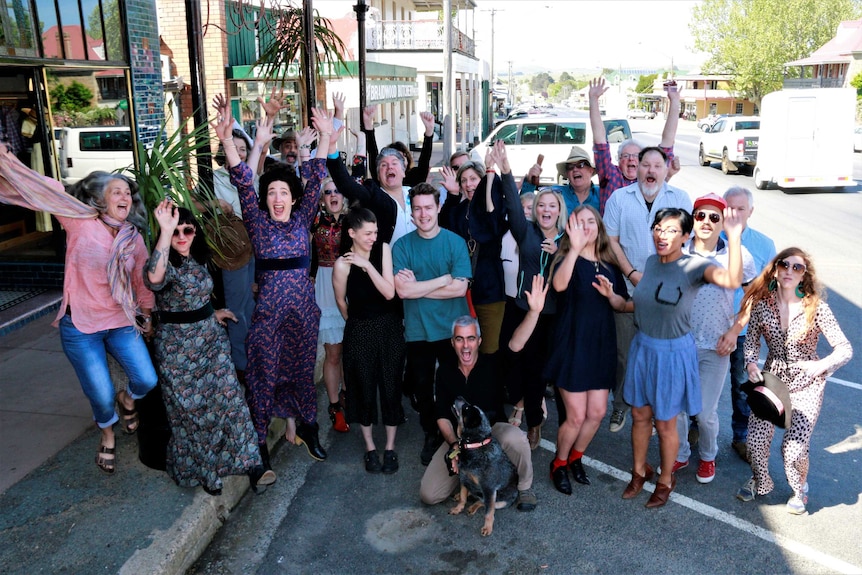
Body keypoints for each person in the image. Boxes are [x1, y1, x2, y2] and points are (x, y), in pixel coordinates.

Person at [0, 143, 157, 475]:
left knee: (145, 380)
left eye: (127, 191)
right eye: (116, 191)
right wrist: (8, 161)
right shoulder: (78, 221)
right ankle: (108, 434)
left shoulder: (134, 239)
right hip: (81, 325)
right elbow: (47, 190)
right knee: (100, 395)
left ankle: (128, 401)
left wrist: (147, 316)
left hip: (120, 320)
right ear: (101, 200)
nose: (124, 195)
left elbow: (142, 283)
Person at [214, 95, 334, 467]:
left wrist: (327, 138)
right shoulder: (256, 221)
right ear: (264, 200)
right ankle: (260, 447)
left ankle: (310, 428)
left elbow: (315, 180)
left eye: (283, 192)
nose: (277, 197)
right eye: (271, 193)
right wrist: (228, 144)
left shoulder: (301, 219)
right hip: (267, 317)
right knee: (263, 376)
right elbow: (242, 182)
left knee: (300, 373)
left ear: (292, 198)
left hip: (302, 314)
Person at [145, 203, 275, 495]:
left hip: (211, 343)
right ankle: (207, 472)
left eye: (187, 230)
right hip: (178, 353)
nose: (181, 236)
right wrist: (165, 231)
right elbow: (154, 280)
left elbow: (196, 300)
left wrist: (214, 313)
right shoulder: (161, 262)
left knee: (232, 403)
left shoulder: (199, 258)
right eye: (175, 231)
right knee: (194, 415)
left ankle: (253, 465)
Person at [620, 206, 743, 509]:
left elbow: (731, 280)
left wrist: (735, 236)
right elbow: (645, 304)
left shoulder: (694, 267)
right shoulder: (650, 262)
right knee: (639, 416)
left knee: (665, 424)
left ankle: (665, 480)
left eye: (672, 230)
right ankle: (639, 472)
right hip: (643, 348)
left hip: (673, 354)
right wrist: (615, 299)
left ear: (685, 236)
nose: (662, 235)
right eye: (659, 228)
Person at [736, 249, 852, 515]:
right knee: (755, 442)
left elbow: (844, 349)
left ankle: (799, 489)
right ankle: (760, 480)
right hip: (771, 382)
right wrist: (751, 364)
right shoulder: (762, 305)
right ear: (775, 269)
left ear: (804, 275)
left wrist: (821, 365)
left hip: (807, 384)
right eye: (784, 264)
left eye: (797, 268)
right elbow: (751, 341)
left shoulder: (817, 308)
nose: (789, 270)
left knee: (794, 449)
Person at [603, 147, 693, 434]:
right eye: (645, 165)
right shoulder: (620, 198)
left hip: (666, 295)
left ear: (667, 169)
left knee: (660, 358)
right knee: (624, 354)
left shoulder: (679, 199)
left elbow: (683, 245)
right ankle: (620, 405)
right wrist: (631, 272)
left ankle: (656, 412)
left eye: (657, 165)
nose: (651, 171)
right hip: (628, 287)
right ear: (636, 167)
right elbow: (612, 240)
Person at [672, 194, 756, 484]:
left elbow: (751, 298)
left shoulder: (738, 254)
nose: (706, 222)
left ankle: (708, 457)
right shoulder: (678, 250)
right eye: (700, 216)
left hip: (715, 347)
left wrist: (734, 331)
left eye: (714, 217)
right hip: (679, 344)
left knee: (705, 413)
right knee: (678, 409)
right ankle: (681, 454)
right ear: (692, 219)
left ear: (724, 223)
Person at [545, 206, 629, 494]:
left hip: (601, 345)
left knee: (597, 412)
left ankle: (576, 457)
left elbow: (621, 303)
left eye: (590, 221)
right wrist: (574, 249)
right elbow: (559, 285)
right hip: (572, 345)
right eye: (579, 223)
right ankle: (558, 463)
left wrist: (612, 295)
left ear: (599, 226)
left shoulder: (610, 265)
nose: (585, 226)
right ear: (570, 228)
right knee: (576, 415)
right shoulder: (564, 258)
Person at [419, 314, 537, 512]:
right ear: (453, 342)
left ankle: (524, 488)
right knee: (429, 495)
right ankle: (468, 478)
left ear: (479, 341)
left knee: (516, 438)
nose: (465, 346)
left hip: (492, 433)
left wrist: (534, 311)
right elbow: (441, 415)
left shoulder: (493, 364)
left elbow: (516, 345)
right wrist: (455, 447)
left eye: (471, 338)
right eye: (460, 339)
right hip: (460, 441)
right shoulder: (445, 372)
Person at [392, 182, 472, 465]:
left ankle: (460, 432)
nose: (423, 214)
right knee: (423, 387)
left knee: (455, 385)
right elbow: (403, 291)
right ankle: (431, 433)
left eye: (428, 207)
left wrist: (419, 287)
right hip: (418, 330)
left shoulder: (455, 242)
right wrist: (442, 280)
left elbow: (460, 289)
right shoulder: (402, 246)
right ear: (411, 213)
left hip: (453, 331)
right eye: (417, 209)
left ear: (439, 207)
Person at [497, 142, 566, 450]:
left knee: (537, 375)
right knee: (512, 365)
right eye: (541, 206)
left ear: (559, 211)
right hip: (520, 308)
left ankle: (535, 423)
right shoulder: (527, 232)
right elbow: (512, 207)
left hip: (549, 315)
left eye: (552, 206)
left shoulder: (567, 240)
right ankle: (518, 403)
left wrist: (561, 253)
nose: (546, 210)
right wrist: (507, 171)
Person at [332, 208, 405, 474]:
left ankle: (390, 448)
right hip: (359, 329)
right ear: (351, 233)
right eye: (367, 234)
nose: (373, 237)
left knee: (390, 385)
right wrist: (358, 323)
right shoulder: (341, 264)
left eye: (375, 232)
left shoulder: (383, 249)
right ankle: (370, 448)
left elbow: (389, 292)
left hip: (389, 327)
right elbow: (342, 302)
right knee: (362, 388)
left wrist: (366, 265)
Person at [717, 187, 776, 462]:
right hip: (709, 327)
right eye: (729, 208)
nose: (734, 213)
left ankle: (740, 437)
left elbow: (767, 291)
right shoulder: (709, 239)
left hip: (743, 331)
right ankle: (694, 428)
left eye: (740, 208)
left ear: (750, 211)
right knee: (699, 383)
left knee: (741, 387)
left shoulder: (765, 245)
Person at [439, 147, 508, 354]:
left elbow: (493, 218)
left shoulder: (491, 207)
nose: (469, 184)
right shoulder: (458, 211)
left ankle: (491, 387)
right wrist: (452, 195)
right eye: (464, 180)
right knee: (464, 348)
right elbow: (442, 228)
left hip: (490, 291)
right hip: (461, 292)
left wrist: (489, 172)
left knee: (489, 349)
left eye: (473, 179)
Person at [588, 77, 681, 214]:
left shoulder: (650, 180)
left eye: (636, 156)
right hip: (611, 235)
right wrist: (593, 100)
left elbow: (668, 140)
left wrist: (674, 101)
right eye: (626, 156)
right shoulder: (610, 175)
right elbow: (600, 139)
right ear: (619, 161)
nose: (631, 159)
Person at [212, 127, 256, 383]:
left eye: (243, 150)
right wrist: (214, 204)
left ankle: (250, 360)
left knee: (249, 304)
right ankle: (242, 367)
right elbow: (191, 202)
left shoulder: (250, 177)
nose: (238, 153)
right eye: (234, 148)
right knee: (237, 308)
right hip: (231, 251)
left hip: (252, 248)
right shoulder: (214, 177)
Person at [311, 176, 349, 434]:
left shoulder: (353, 220)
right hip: (325, 287)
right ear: (322, 199)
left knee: (351, 350)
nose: (333, 195)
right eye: (328, 192)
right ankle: (335, 406)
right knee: (334, 353)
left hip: (350, 284)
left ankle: (350, 396)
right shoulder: (314, 222)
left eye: (337, 191)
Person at [362, 106, 436, 187]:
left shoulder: (415, 177)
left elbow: (425, 159)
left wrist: (429, 131)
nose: (391, 166)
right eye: (388, 163)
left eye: (400, 159)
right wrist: (368, 125)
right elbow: (372, 153)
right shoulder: (382, 178)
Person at [521, 145, 600, 215]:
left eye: (580, 165)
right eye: (570, 167)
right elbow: (524, 206)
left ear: (591, 170)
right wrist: (529, 182)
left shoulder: (602, 195)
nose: (575, 169)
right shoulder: (556, 193)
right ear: (567, 174)